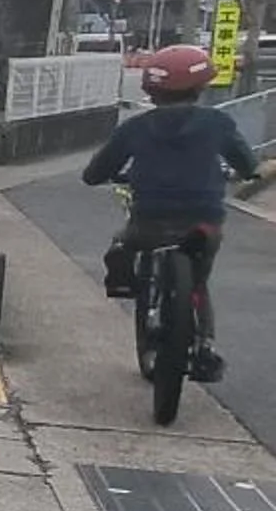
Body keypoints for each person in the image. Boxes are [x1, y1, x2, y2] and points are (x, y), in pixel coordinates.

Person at [83, 42, 263, 382]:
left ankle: (122, 272)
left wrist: (104, 175)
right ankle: (205, 346)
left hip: (149, 220)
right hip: (204, 222)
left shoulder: (135, 128)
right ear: (201, 86)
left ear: (151, 90)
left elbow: (94, 173)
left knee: (124, 241)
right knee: (198, 281)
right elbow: (249, 164)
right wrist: (246, 172)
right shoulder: (218, 123)